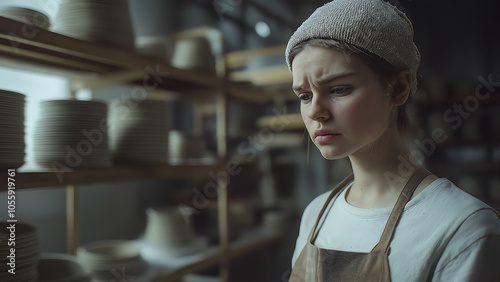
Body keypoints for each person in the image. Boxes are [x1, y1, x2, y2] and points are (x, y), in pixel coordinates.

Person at [284, 0, 500, 281]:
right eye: (304, 96)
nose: (315, 111)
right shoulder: (315, 215)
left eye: (338, 89)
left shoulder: (463, 227)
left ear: (398, 88)